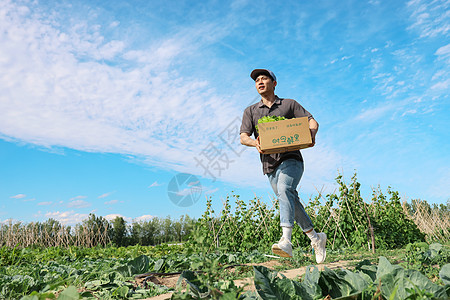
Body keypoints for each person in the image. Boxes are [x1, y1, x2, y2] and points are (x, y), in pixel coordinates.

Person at [240, 69, 327, 263]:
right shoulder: (251, 111)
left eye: (264, 78)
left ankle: (286, 240)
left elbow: (312, 122)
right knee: (289, 198)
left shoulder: (289, 104)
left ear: (274, 83)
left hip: (291, 158)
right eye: (257, 80)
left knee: (284, 188)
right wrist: (256, 143)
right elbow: (243, 137)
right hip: (269, 164)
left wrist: (311, 134)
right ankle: (316, 238)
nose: (260, 82)